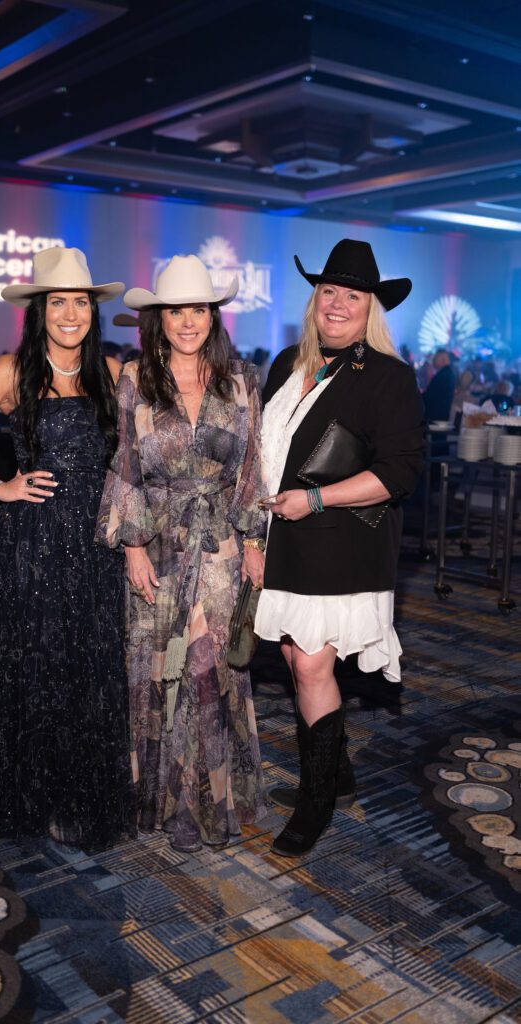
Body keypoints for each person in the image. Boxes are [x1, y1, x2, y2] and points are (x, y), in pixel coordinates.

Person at [0, 246, 136, 851]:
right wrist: (0, 486)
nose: (70, 313)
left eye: (79, 302)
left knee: (88, 667)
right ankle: (31, 793)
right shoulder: (10, 371)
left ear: (92, 311)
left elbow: (138, 454)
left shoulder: (114, 374)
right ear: (39, 310)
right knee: (37, 665)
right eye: (58, 302)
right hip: (36, 542)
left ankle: (79, 795)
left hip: (96, 544)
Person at [256, 239, 424, 857]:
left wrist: (320, 499)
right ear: (313, 300)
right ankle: (337, 772)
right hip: (282, 540)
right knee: (298, 662)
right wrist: (255, 535)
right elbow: (265, 458)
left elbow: (401, 472)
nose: (337, 303)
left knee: (309, 666)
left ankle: (316, 798)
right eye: (328, 290)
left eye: (352, 295)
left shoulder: (387, 376)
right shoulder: (283, 365)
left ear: (370, 308)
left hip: (341, 542)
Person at [96, 254, 267, 852]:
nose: (188, 321)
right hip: (157, 544)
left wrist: (252, 543)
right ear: (157, 319)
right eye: (176, 311)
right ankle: (161, 800)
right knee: (155, 672)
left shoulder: (242, 380)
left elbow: (251, 468)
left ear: (212, 316)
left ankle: (208, 804)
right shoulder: (134, 378)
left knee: (208, 671)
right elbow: (124, 467)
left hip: (219, 544)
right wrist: (133, 547)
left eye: (198, 309)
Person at [422, 348, 456, 422]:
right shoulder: (447, 373)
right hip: (440, 416)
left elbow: (430, 396)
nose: (433, 360)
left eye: (436, 358)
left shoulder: (443, 375)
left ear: (442, 360)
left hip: (436, 418)